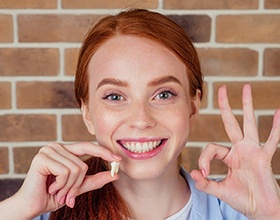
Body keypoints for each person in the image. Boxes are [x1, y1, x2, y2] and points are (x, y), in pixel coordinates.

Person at [0, 8, 280, 220]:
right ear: (87, 113)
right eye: (114, 96)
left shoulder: (245, 212)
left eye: (163, 94)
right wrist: (19, 209)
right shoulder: (41, 213)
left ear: (193, 106)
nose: (141, 119)